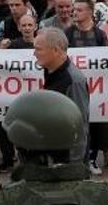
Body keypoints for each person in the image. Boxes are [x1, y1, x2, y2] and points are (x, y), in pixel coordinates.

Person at [32, 27, 90, 164]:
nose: (34, 53)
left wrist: (74, 164)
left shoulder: (74, 81)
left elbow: (79, 123)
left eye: (38, 49)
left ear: (56, 50)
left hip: (68, 160)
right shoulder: (50, 69)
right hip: (53, 152)